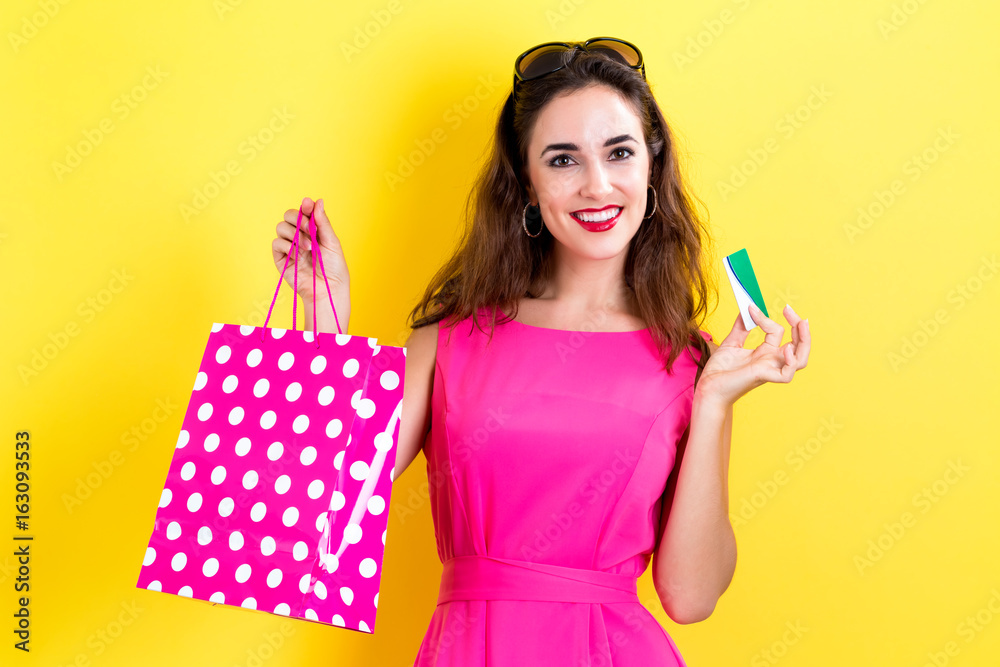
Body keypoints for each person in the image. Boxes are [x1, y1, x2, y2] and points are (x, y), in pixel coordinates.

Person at [271, 36, 811, 666]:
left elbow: (690, 597)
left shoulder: (686, 362)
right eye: (562, 160)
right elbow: (320, 502)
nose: (597, 184)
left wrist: (716, 402)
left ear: (650, 168)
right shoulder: (448, 341)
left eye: (619, 152)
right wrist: (321, 319)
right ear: (525, 184)